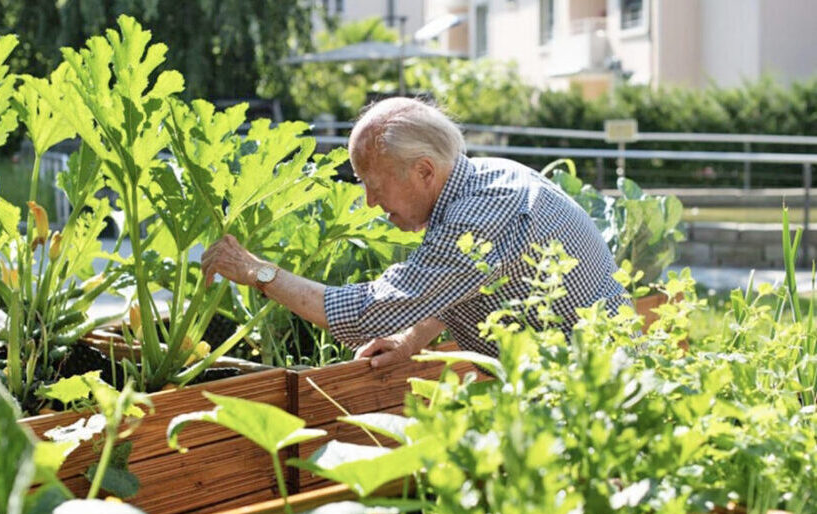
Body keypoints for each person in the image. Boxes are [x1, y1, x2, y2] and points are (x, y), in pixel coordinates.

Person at [201, 97, 628, 368]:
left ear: (424, 170)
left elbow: (370, 311)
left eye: (375, 184)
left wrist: (259, 273)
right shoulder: (492, 177)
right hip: (592, 380)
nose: (370, 201)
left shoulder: (479, 215)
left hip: (599, 397)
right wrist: (409, 340)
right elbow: (462, 285)